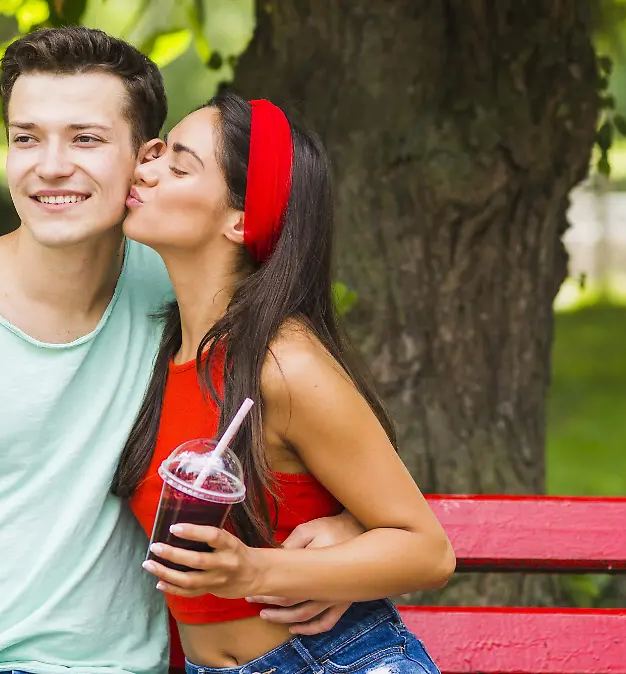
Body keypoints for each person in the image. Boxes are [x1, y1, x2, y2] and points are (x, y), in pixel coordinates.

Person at [0, 27, 365, 674]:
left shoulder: (183, 296)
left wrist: (350, 531)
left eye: (85, 139)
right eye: (26, 138)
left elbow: (318, 424)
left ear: (145, 159)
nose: (50, 166)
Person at [110, 92, 454, 673]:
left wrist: (259, 572)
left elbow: (428, 551)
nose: (145, 170)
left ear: (242, 220)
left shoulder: (283, 362)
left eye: (179, 166)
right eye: (156, 155)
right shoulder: (162, 351)